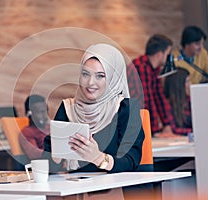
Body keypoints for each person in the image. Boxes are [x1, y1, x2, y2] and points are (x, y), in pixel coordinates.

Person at [43, 43, 144, 173]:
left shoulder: (125, 108)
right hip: (74, 188)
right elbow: (47, 165)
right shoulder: (68, 108)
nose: (90, 83)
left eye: (100, 76)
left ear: (114, 78)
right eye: (85, 74)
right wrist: (55, 157)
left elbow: (132, 161)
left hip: (116, 189)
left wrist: (98, 158)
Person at [131, 34, 177, 138]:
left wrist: (167, 125)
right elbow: (145, 101)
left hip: (144, 127)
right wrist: (155, 131)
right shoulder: (140, 67)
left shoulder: (154, 69)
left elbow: (159, 97)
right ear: (160, 54)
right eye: (168, 54)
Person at [19, 94, 50, 160]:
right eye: (41, 112)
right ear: (30, 114)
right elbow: (34, 154)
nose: (45, 116)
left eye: (46, 111)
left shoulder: (51, 128)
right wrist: (56, 154)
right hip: (48, 166)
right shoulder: (27, 132)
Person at [164, 68, 192, 135]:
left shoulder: (190, 101)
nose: (190, 84)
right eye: (187, 81)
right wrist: (194, 131)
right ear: (179, 85)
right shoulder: (167, 105)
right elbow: (174, 130)